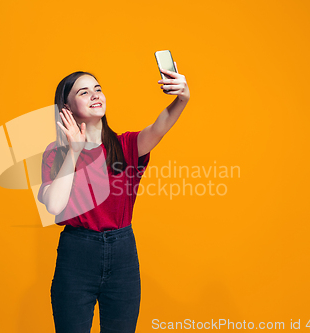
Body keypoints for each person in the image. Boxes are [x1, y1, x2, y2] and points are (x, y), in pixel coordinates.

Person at [38, 65, 190, 333]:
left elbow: (159, 126)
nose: (95, 95)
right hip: (77, 256)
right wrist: (74, 151)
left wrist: (182, 99)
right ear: (67, 109)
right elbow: (54, 205)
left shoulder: (127, 145)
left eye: (98, 89)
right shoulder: (57, 154)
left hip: (123, 257)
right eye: (84, 92)